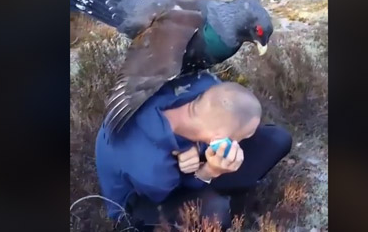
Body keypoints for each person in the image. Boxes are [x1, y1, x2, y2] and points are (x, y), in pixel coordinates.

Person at [95, 72, 292, 231]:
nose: (240, 143)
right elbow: (169, 195)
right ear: (218, 137)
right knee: (215, 212)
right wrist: (209, 171)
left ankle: (231, 192)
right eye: (237, 140)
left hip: (179, 162)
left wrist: (197, 148)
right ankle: (227, 198)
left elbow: (228, 104)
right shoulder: (152, 165)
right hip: (143, 200)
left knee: (277, 140)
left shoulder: (204, 84)